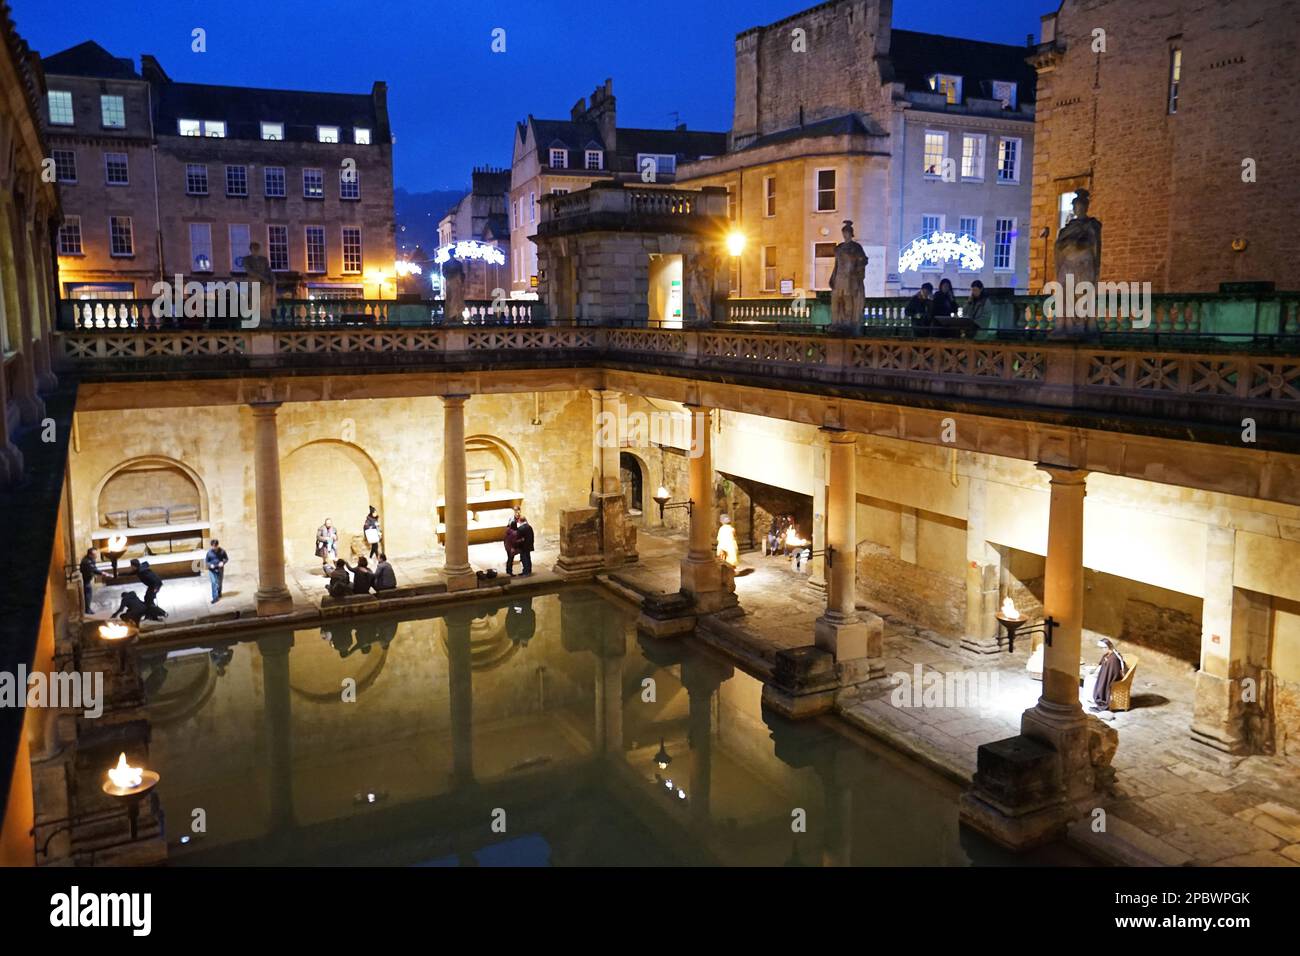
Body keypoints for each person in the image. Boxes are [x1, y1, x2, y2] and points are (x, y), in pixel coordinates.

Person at [1090, 638, 1127, 711]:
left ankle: (1102, 703)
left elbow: (1113, 672)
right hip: (1107, 675)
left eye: (1102, 648)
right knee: (1090, 678)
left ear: (1107, 647)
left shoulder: (1113, 658)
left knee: (1101, 682)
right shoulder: (1108, 654)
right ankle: (1095, 700)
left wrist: (1103, 678)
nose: (1102, 650)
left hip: (1113, 677)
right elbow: (1102, 665)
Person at [205, 538, 229, 604]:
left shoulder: (222, 551)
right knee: (213, 582)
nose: (214, 548)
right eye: (212, 546)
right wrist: (210, 565)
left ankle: (219, 592)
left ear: (217, 545)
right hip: (212, 569)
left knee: (219, 582)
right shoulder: (209, 553)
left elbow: (226, 558)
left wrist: (223, 562)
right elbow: (206, 561)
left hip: (220, 569)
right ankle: (215, 597)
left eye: (215, 546)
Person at [79, 547, 99, 611]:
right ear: (90, 555)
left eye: (96, 554)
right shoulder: (86, 561)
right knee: (88, 595)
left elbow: (94, 568)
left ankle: (88, 608)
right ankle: (87, 609)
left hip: (88, 579)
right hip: (86, 580)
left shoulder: (91, 559)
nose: (96, 556)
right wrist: (103, 573)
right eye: (94, 554)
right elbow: (94, 569)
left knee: (89, 595)